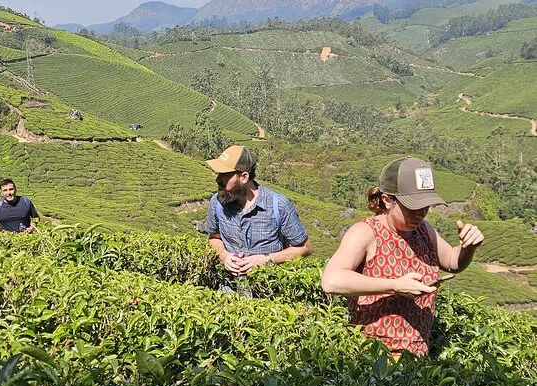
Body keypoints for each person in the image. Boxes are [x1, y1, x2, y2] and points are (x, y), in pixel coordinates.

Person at [322, 156, 484, 356]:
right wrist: (395, 285)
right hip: (372, 358)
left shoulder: (424, 230)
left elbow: (452, 262)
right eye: (412, 207)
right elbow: (331, 280)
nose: (421, 214)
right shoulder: (366, 232)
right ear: (387, 200)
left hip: (417, 358)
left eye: (425, 207)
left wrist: (468, 247)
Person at [205, 145, 312, 280]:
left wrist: (267, 260)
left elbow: (305, 247)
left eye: (225, 175)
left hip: (268, 289)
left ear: (244, 177)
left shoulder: (278, 205)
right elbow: (214, 238)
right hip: (228, 288)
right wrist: (224, 255)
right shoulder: (217, 203)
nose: (218, 179)